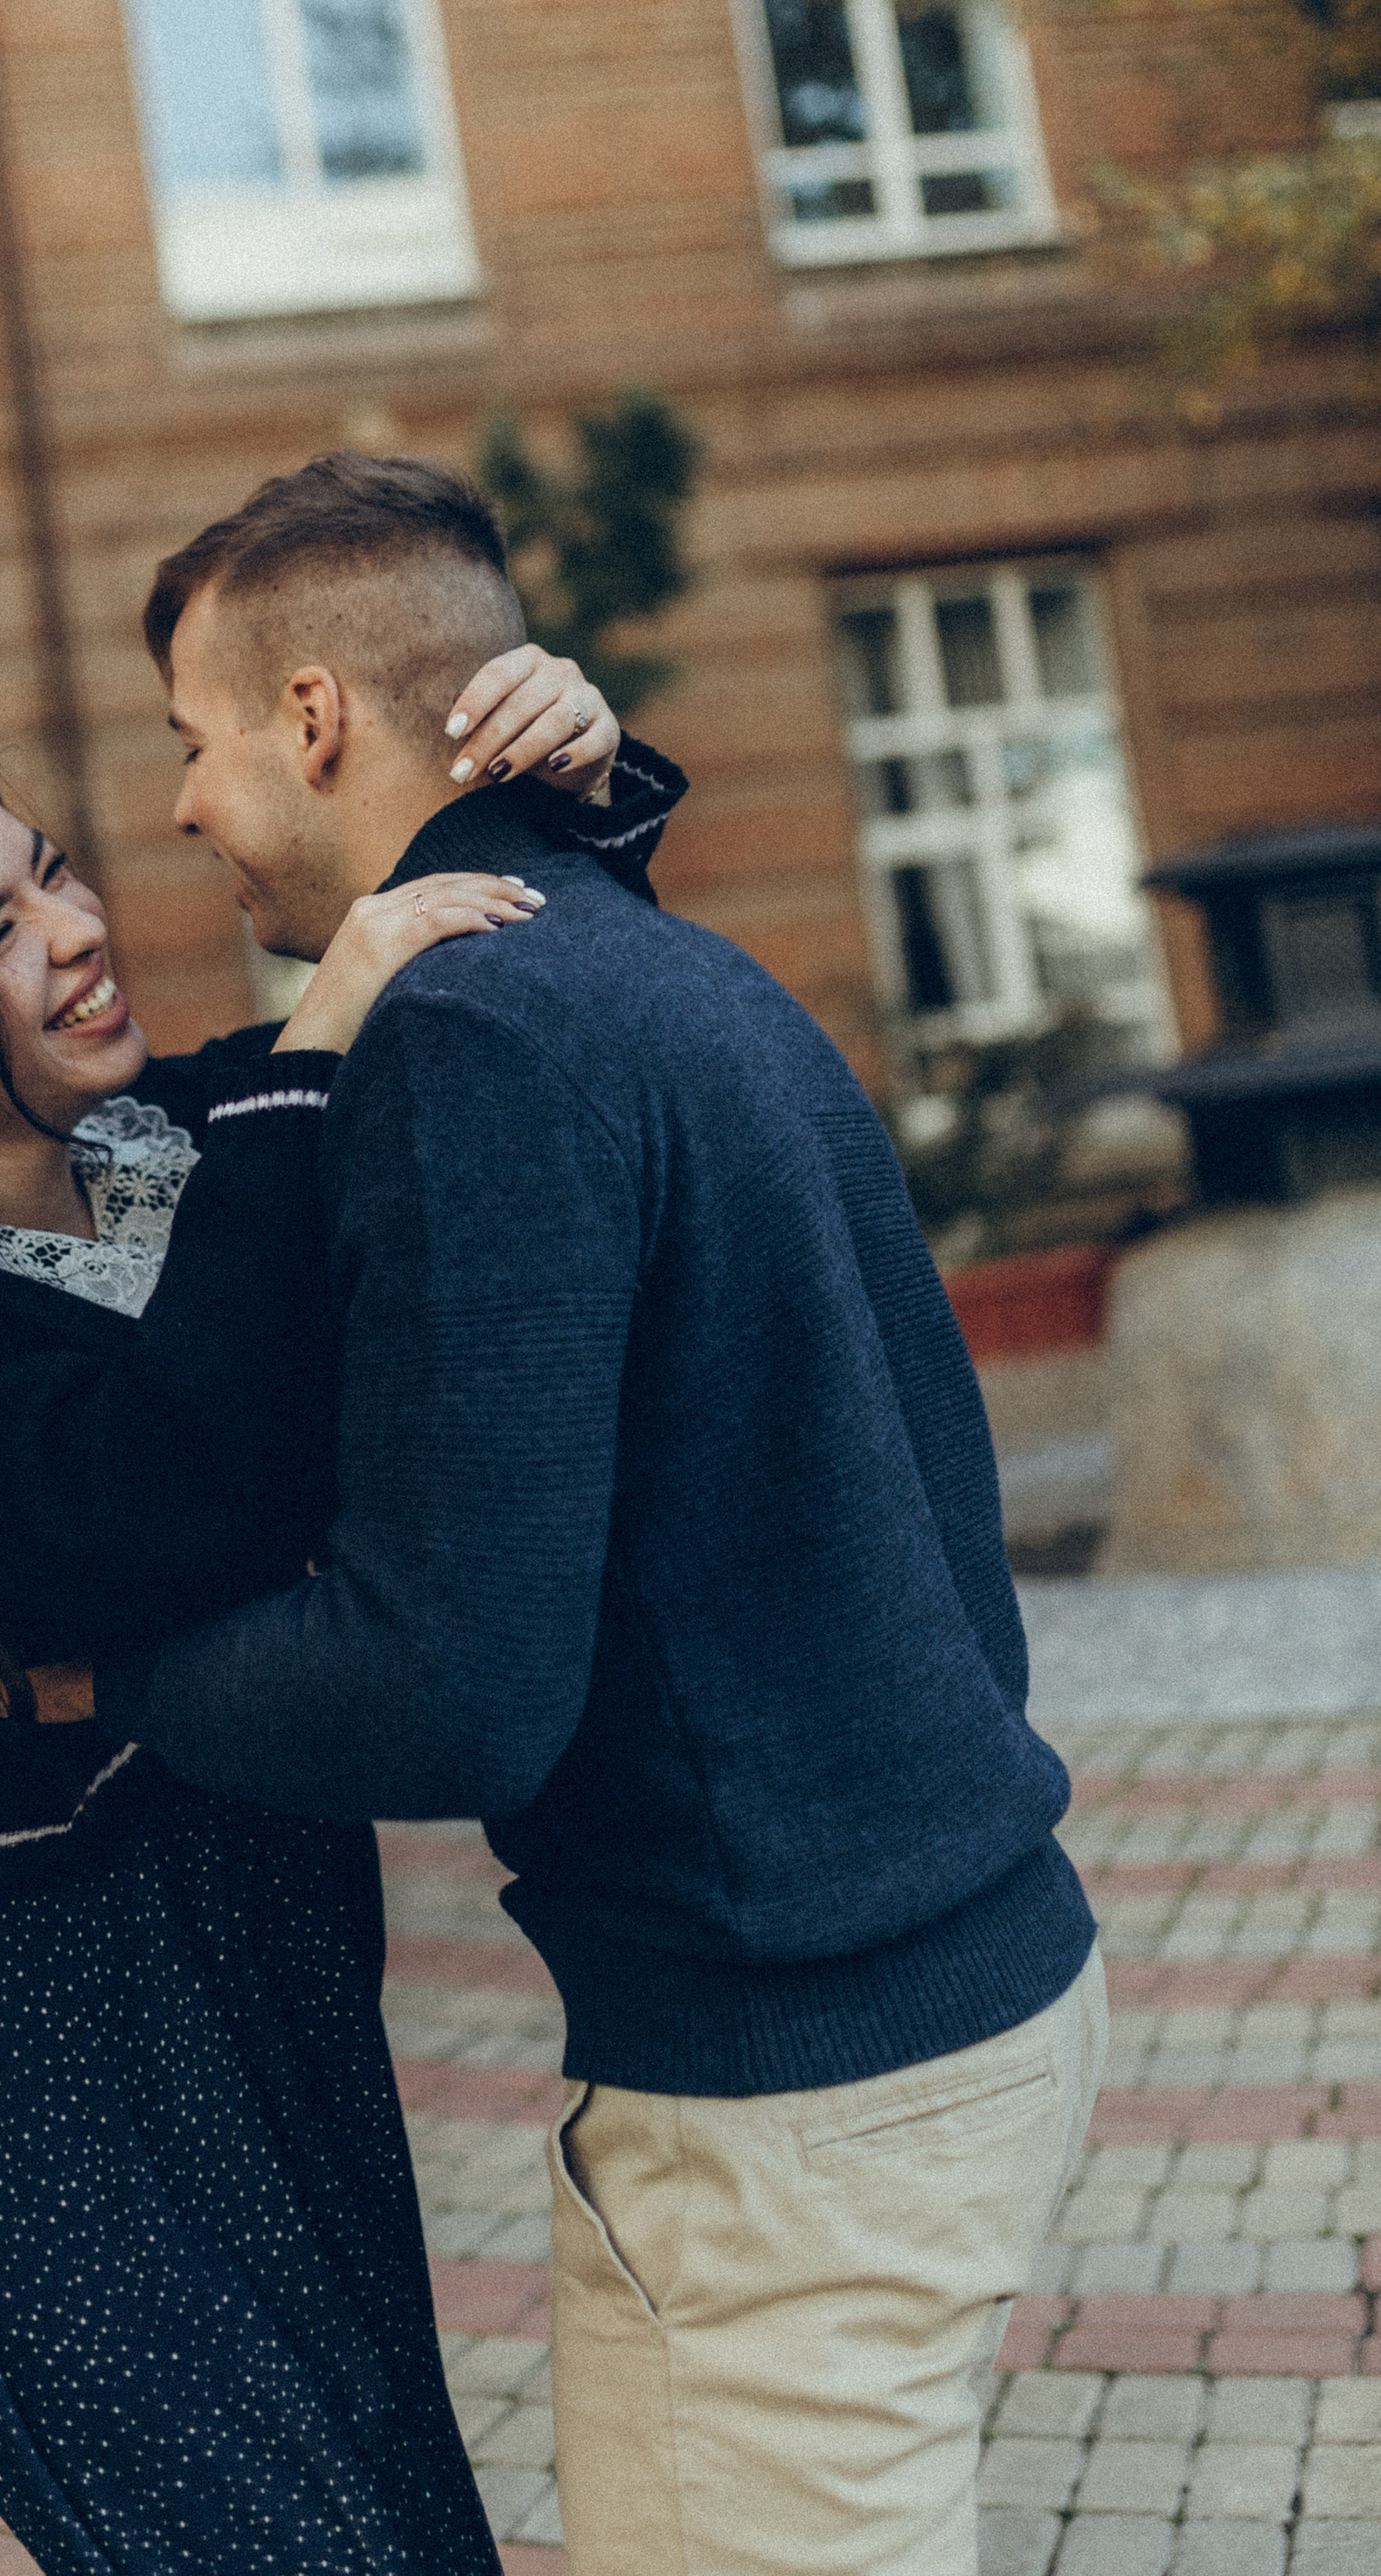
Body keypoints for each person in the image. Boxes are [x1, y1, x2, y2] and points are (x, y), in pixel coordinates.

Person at [71, 449, 1106, 2576]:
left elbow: (449, 1688)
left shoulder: (473, 1040)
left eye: (190, 743)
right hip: (961, 1982)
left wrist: (102, 1669)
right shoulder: (658, 965)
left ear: (316, 722)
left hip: (793, 2096)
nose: (176, 807)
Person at [0, 646, 621, 2576]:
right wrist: (317, 1034)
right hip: (39, 2090)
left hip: (275, 2030)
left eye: (56, 873)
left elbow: (479, 1016)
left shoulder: (185, 1153)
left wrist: (555, 780)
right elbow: (187, 1477)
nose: (77, 936)